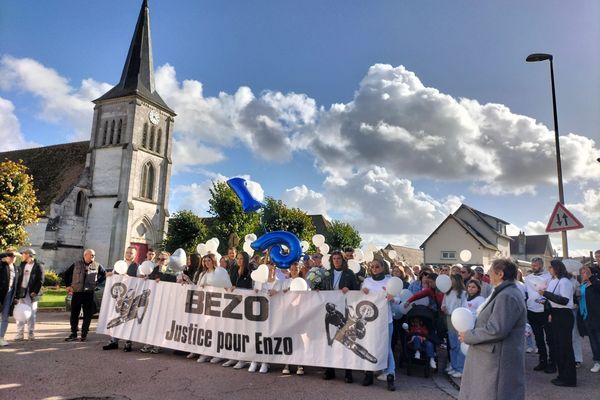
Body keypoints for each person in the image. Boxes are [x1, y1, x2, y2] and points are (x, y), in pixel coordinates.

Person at [458, 258, 526, 400]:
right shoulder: (504, 292)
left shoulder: (507, 295)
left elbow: (496, 329)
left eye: (490, 271)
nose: (488, 274)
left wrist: (469, 336)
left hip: (496, 362)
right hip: (492, 358)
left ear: (500, 274)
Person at [322, 250, 359, 383]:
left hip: (345, 310)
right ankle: (330, 369)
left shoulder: (349, 274)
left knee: (345, 340)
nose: (336, 261)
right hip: (331, 312)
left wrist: (349, 291)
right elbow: (323, 290)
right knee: (330, 340)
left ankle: (348, 372)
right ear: (331, 261)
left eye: (339, 258)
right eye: (334, 259)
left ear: (343, 260)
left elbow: (356, 290)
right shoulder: (328, 274)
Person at [360, 259, 397, 391]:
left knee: (387, 348)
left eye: (377, 267)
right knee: (369, 346)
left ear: (383, 268)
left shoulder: (390, 281)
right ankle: (368, 373)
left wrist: (392, 298)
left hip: (386, 321)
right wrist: (362, 292)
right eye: (372, 267)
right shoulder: (367, 281)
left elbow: (398, 300)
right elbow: (360, 299)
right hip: (370, 321)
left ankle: (391, 375)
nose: (374, 269)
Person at [539, 259, 576, 387]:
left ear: (557, 268)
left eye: (550, 267)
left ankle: (569, 378)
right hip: (555, 314)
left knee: (565, 347)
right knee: (558, 346)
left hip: (564, 315)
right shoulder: (554, 281)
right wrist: (546, 304)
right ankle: (562, 375)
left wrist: (546, 294)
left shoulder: (565, 281)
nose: (548, 269)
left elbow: (565, 300)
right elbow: (553, 299)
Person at [63, 249, 105, 342]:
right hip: (77, 292)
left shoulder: (97, 265)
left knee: (87, 315)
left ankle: (84, 334)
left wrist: (97, 282)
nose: (93, 257)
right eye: (92, 255)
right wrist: (68, 286)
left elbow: (104, 274)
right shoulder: (76, 264)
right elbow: (66, 274)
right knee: (74, 314)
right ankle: (73, 333)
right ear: (85, 255)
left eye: (94, 255)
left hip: (89, 294)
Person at [220, 251, 253, 369]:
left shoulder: (250, 271)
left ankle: (242, 359)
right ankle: (233, 357)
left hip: (245, 304)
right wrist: (228, 286)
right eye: (238, 258)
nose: (239, 260)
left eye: (241, 259)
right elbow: (230, 283)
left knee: (243, 332)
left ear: (245, 260)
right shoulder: (234, 269)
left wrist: (238, 288)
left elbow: (250, 287)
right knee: (233, 330)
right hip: (233, 303)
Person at [103, 245, 138, 351]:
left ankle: (128, 343)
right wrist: (110, 275)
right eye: (127, 252)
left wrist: (131, 278)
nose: (128, 254)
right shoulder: (119, 264)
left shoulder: (137, 266)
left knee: (128, 319)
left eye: (131, 253)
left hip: (130, 297)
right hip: (118, 297)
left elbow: (141, 281)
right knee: (116, 317)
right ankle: (114, 341)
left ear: (135, 255)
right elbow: (113, 276)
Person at [523, 257, 554, 373]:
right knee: (538, 337)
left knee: (550, 338)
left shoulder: (549, 276)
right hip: (532, 310)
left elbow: (551, 293)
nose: (533, 267)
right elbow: (526, 292)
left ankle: (552, 362)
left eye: (536, 265)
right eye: (532, 265)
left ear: (541, 265)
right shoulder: (528, 278)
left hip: (545, 310)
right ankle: (542, 361)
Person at [14, 248, 44, 341]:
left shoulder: (38, 265)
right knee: (20, 313)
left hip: (32, 293)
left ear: (29, 255)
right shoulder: (22, 265)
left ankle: (31, 333)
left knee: (31, 314)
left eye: (23, 254)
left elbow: (41, 280)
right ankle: (20, 334)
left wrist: (35, 291)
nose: (22, 255)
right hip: (21, 292)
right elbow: (18, 279)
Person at [442, 274, 467, 378]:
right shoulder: (447, 293)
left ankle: (460, 368)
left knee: (459, 344)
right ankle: (453, 365)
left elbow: (463, 307)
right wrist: (444, 308)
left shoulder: (464, 294)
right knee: (452, 345)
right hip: (449, 318)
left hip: (459, 319)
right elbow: (443, 304)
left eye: (452, 280)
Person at [578, 265, 600, 373]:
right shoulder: (582, 285)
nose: (584, 275)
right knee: (593, 341)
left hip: (596, 316)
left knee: (599, 339)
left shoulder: (595, 282)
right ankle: (597, 361)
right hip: (586, 316)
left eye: (586, 272)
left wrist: (591, 278)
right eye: (582, 273)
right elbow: (579, 299)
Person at [0, 249, 20, 345]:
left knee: (5, 317)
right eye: (11, 256)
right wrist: (5, 254)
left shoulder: (16, 268)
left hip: (10, 294)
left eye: (14, 256)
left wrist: (17, 296)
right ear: (6, 256)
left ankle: (1, 337)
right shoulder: (2, 265)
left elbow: (17, 284)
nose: (13, 258)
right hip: (1, 294)